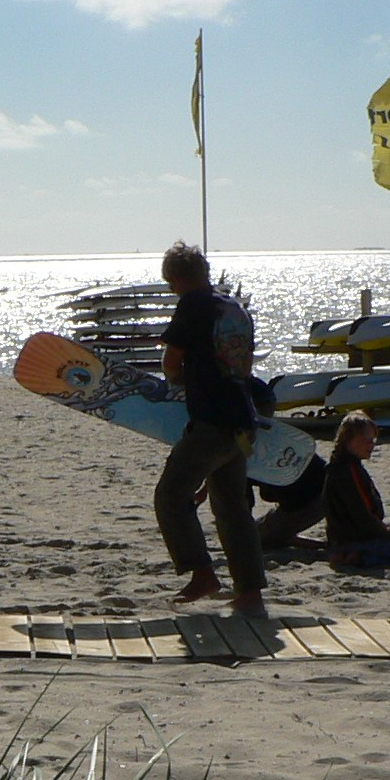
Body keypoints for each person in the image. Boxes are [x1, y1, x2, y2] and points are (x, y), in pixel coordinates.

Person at [153, 241, 268, 616]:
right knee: (233, 507)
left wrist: (175, 381)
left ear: (175, 279)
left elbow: (172, 359)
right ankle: (250, 591)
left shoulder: (192, 305)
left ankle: (202, 572)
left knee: (171, 495)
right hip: (242, 420)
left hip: (213, 422)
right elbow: (245, 364)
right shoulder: (234, 307)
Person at [322, 411, 390, 569]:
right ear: (349, 440)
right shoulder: (349, 470)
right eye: (366, 440)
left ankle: (355, 556)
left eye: (373, 440)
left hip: (344, 538)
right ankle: (358, 557)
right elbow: (363, 516)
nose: (371, 445)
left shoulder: (338, 465)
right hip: (356, 541)